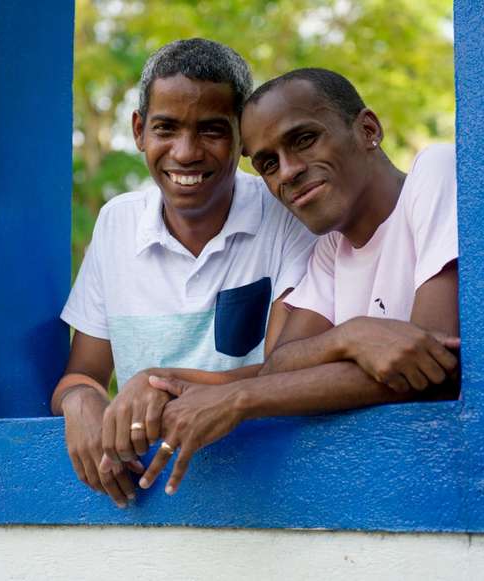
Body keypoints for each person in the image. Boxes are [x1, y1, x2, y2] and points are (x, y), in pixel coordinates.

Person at [131, 68, 461, 496]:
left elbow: (434, 365)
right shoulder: (330, 250)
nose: (286, 172)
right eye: (267, 163)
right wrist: (350, 338)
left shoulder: (433, 174)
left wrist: (240, 400)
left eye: (304, 140)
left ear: (367, 129)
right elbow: (280, 364)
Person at [50, 41, 317, 508]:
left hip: (275, 493)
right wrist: (80, 404)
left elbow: (291, 370)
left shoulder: (285, 215)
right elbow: (82, 376)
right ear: (139, 131)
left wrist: (158, 385)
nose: (186, 152)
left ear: (243, 136)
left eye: (212, 130)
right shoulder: (117, 224)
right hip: (150, 506)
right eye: (166, 128)